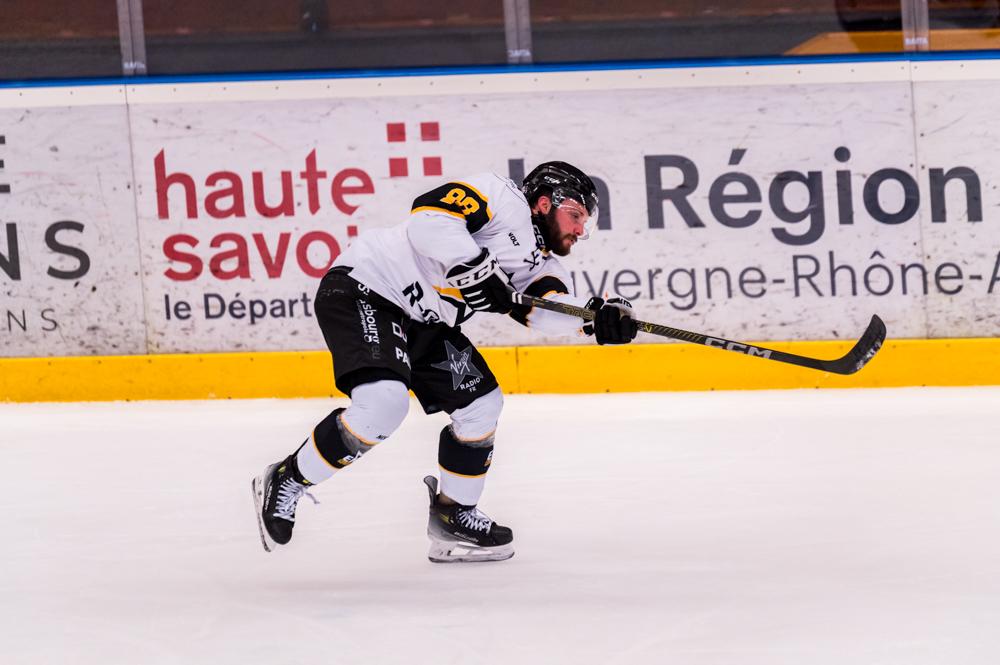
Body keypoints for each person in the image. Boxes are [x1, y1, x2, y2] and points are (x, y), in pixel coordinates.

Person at [251, 161, 639, 563]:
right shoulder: (500, 198)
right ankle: (287, 478)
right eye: (575, 216)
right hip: (367, 289)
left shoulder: (540, 262)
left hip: (427, 323)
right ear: (544, 203)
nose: (579, 230)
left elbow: (543, 309)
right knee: (383, 406)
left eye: (585, 223)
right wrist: (474, 268)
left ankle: (453, 514)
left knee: (481, 405)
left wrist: (595, 318)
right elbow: (428, 218)